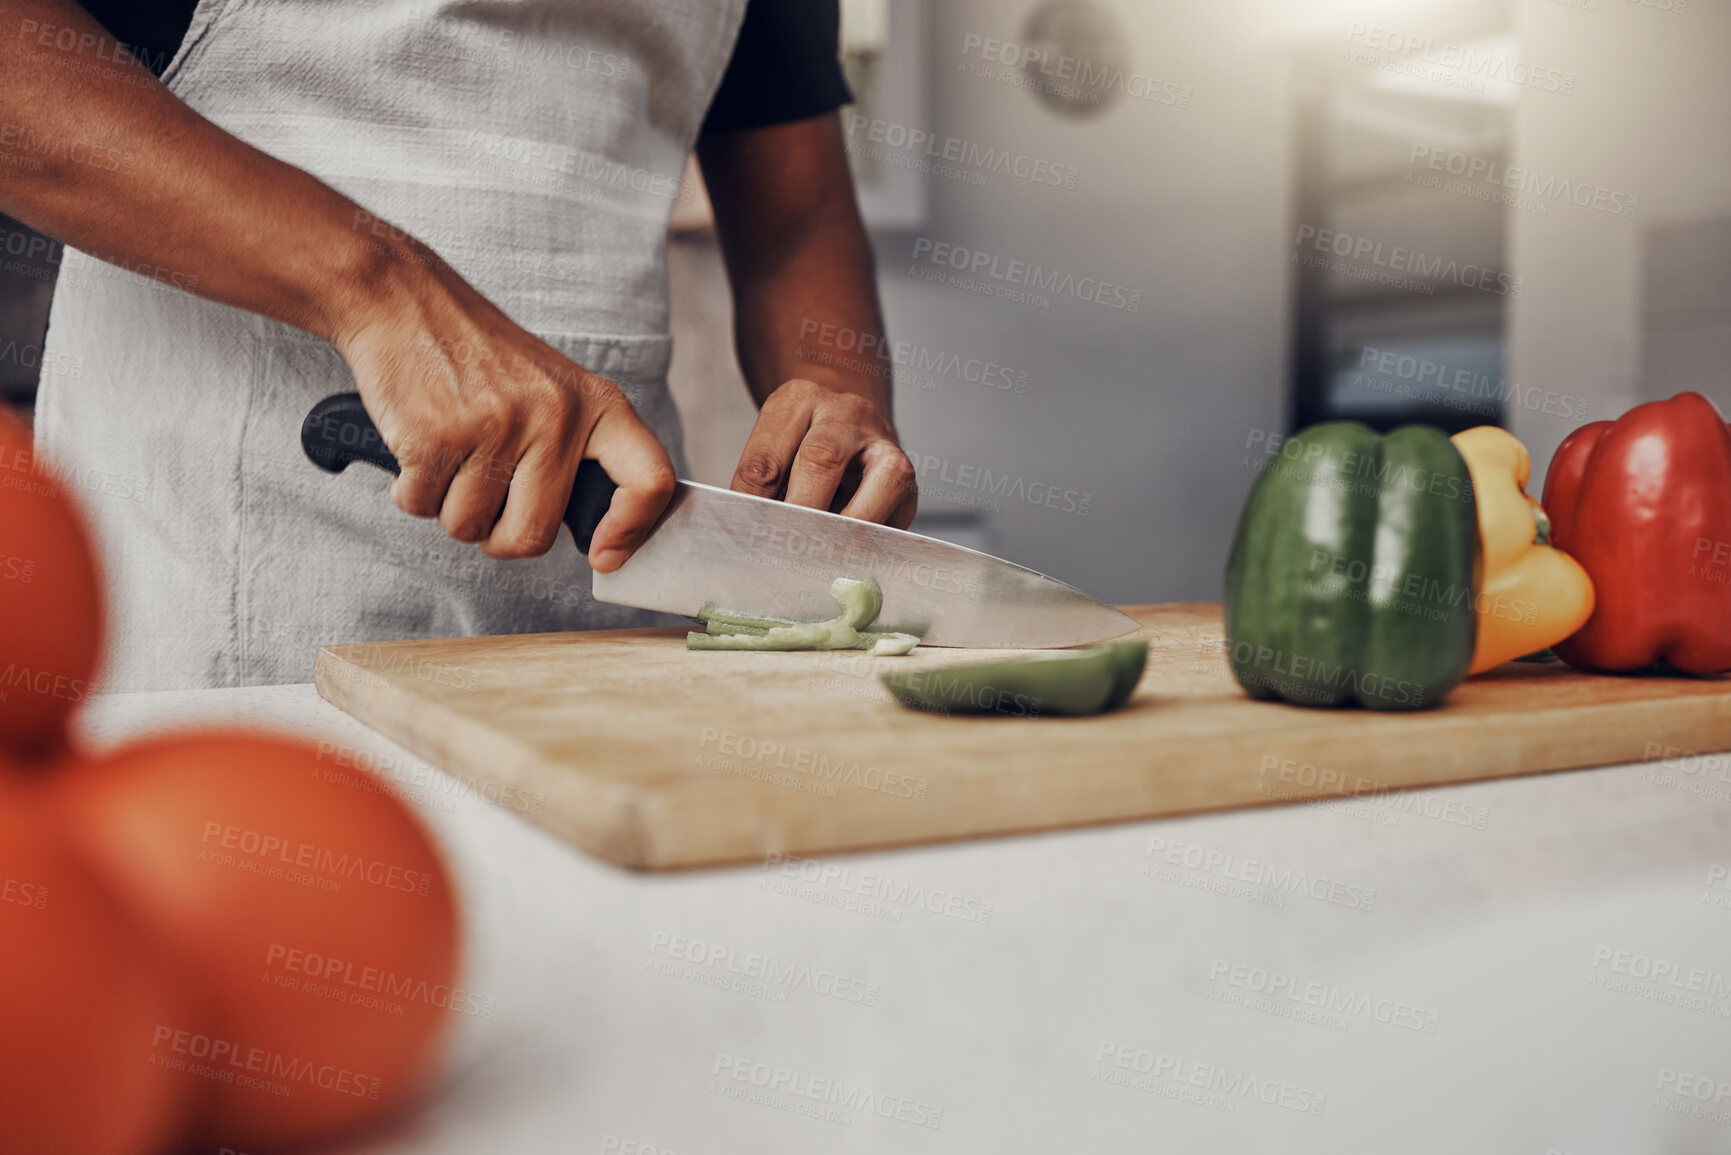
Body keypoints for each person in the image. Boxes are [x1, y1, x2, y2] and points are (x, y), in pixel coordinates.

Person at [0, 0, 915, 690]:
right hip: (226, 603)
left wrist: (835, 394)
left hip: (606, 612)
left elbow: (797, 223)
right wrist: (380, 293)